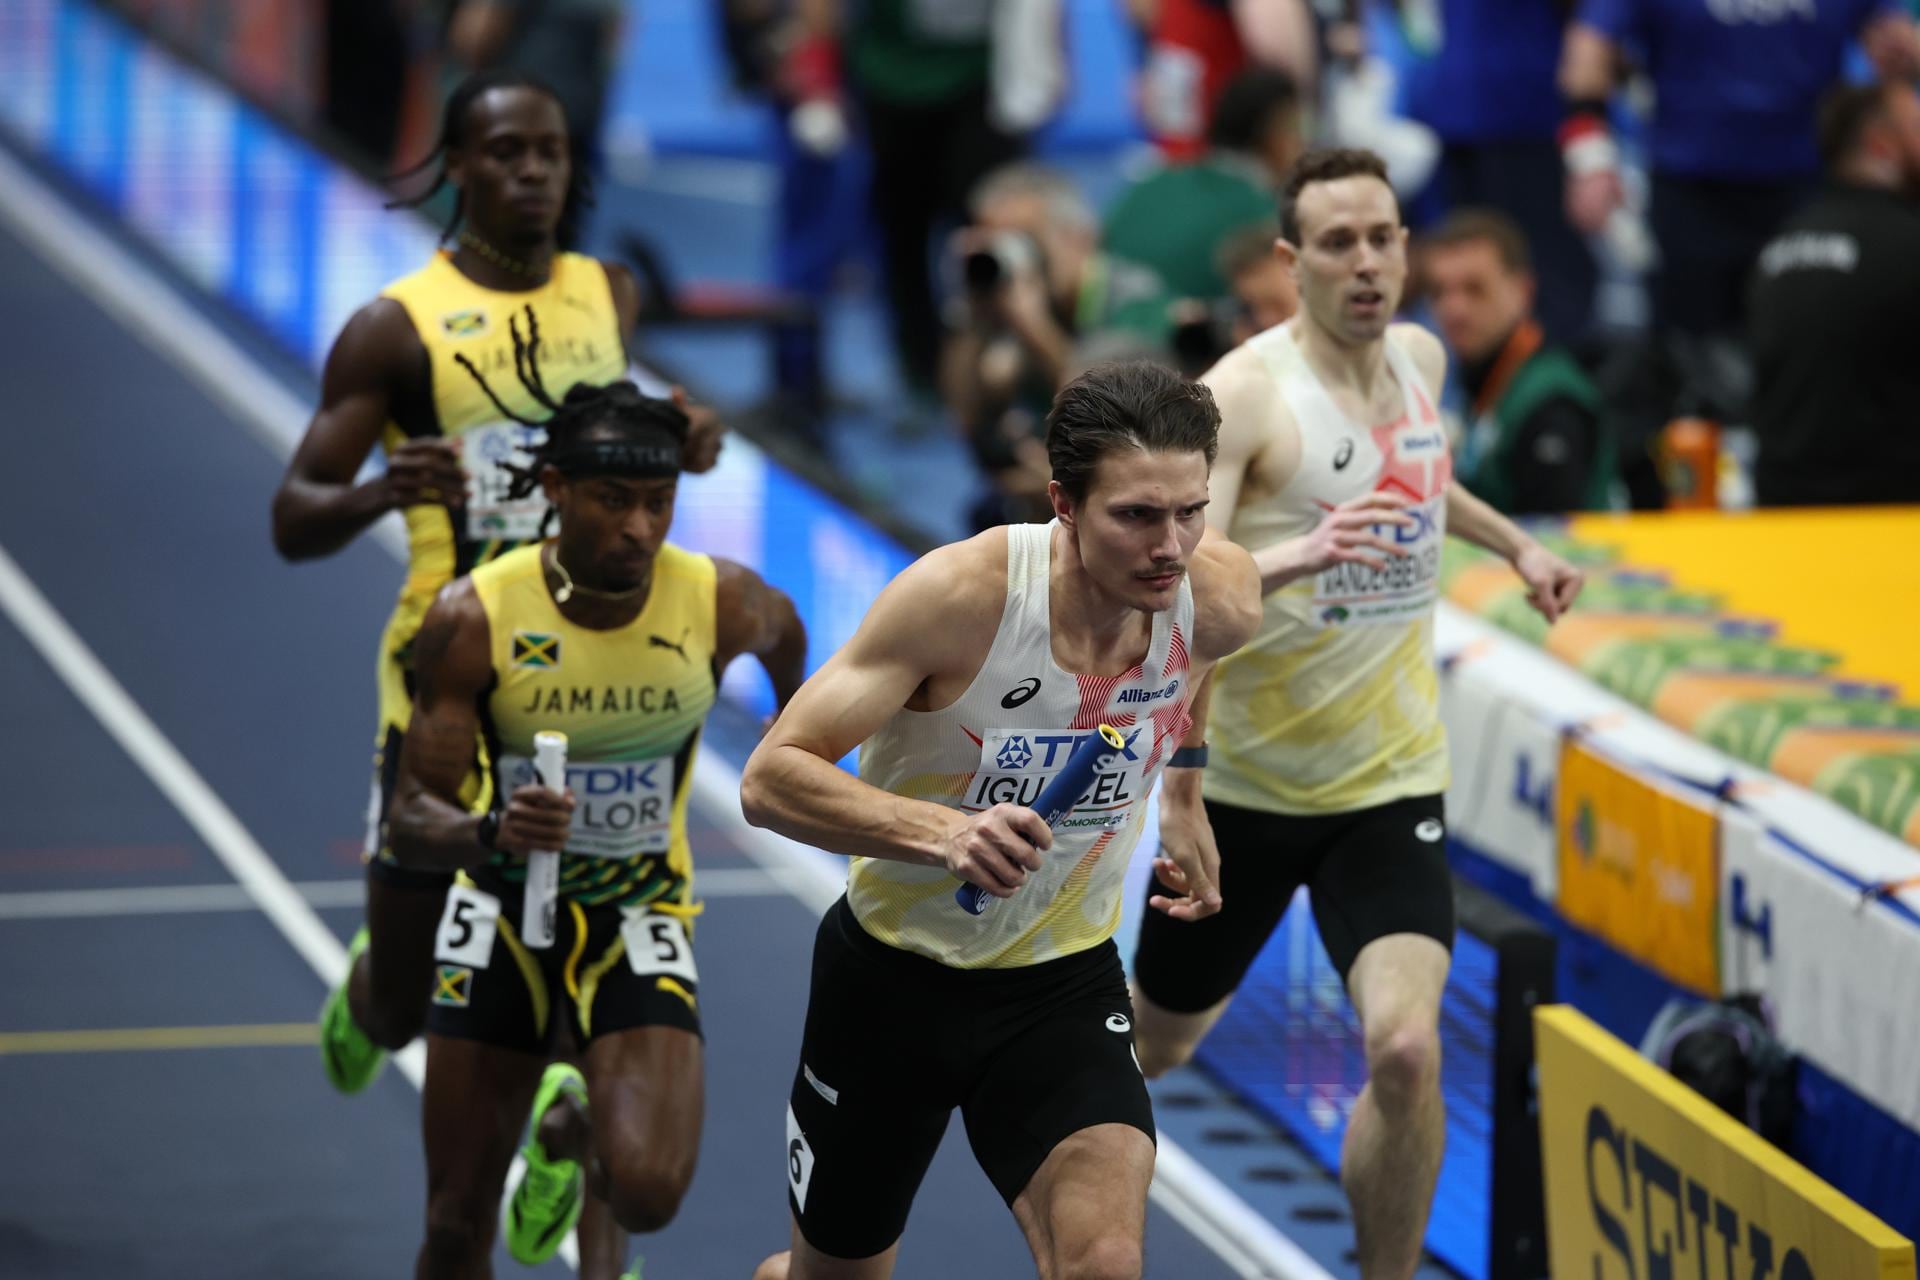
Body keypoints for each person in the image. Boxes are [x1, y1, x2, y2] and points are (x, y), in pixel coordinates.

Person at [1125, 149, 1584, 1280]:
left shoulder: (1425, 361)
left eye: (1384, 237)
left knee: (1407, 1045)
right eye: (1339, 242)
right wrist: (1179, 784)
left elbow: (1425, 480)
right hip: (1240, 795)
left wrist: (1513, 542)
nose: (1368, 261)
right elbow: (1183, 587)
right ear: (1292, 262)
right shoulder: (1244, 396)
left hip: (1387, 786)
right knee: (1150, 1045)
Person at [739, 360, 1263, 1280]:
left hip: (1062, 986)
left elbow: (1194, 669)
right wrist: (945, 834)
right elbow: (771, 777)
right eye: (1137, 515)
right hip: (893, 985)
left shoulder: (1217, 598)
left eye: (1191, 511)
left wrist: (1184, 790)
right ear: (1063, 501)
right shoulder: (963, 597)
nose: (1171, 545)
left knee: (1103, 1263)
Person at [272, 70, 721, 1111]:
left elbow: (622, 436)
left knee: (571, 917)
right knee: (400, 1008)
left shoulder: (606, 292)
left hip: (579, 652)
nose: (533, 172)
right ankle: (373, 991)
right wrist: (385, 487)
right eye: (508, 152)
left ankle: (568, 1141)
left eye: (551, 153)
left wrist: (687, 439)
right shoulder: (395, 328)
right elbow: (292, 516)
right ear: (459, 166)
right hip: (442, 660)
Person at [388, 353, 806, 1279]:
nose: (640, 527)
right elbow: (412, 819)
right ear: (555, 488)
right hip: (500, 913)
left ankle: (565, 1137)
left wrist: (794, 728)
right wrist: (491, 830)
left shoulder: (721, 600)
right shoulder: (475, 616)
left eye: (658, 502)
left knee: (649, 1194)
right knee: (456, 1225)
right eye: (613, 500)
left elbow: (788, 640)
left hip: (637, 911)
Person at [1749, 81, 1920, 507]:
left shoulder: (1780, 245)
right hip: (1888, 518)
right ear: (1883, 145)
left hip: (1779, 509)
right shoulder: (1908, 243)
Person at [1424, 208, 1617, 515]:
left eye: (1475, 289)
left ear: (1523, 290)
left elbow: (1551, 539)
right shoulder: (1486, 381)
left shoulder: (1551, 402)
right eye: (1438, 292)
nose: (1454, 309)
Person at [1103, 68, 1303, 302]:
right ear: (1275, 133)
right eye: (1301, 128)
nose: (1305, 144)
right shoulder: (1263, 218)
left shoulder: (1150, 183)